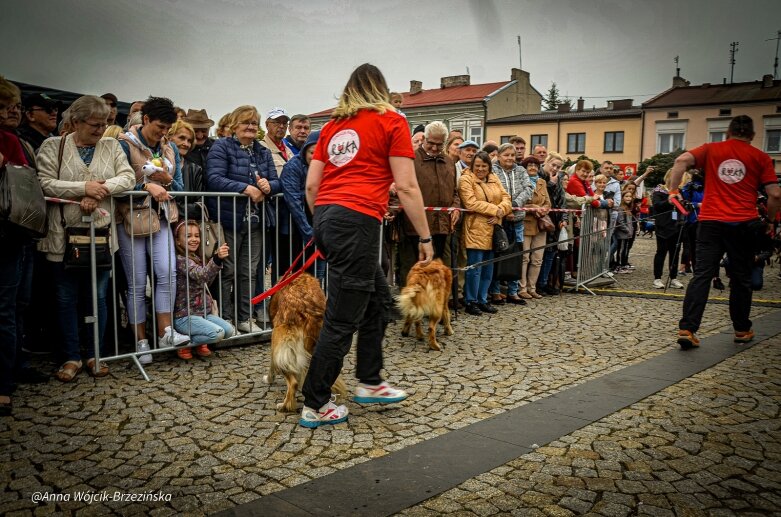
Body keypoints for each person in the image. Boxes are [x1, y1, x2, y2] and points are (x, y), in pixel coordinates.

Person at [300, 63, 434, 428]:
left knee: (377, 301)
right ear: (381, 89)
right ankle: (316, 401)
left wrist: (323, 223)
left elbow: (312, 186)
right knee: (342, 319)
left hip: (328, 215)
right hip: (357, 220)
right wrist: (425, 236)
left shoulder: (331, 127)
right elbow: (406, 186)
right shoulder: (392, 121)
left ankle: (371, 381)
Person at [37, 95, 136, 381]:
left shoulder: (112, 145)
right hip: (62, 235)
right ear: (75, 122)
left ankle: (95, 353)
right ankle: (70, 356)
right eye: (94, 124)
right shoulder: (53, 146)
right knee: (65, 297)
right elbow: (44, 182)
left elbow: (127, 178)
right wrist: (83, 189)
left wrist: (99, 189)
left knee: (99, 297)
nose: (100, 130)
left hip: (101, 236)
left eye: (104, 124)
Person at [670, 115, 781, 349]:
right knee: (741, 278)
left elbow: (681, 160)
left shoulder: (711, 149)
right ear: (752, 135)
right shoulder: (760, 157)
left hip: (710, 221)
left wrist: (673, 191)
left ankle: (687, 329)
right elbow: (775, 194)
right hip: (742, 223)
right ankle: (741, 329)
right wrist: (770, 220)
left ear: (728, 132)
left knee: (702, 275)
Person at [117, 96, 190, 362]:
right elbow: (118, 184)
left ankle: (165, 331)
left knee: (167, 272)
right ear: (145, 119)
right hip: (131, 220)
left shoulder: (169, 148)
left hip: (161, 219)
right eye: (159, 127)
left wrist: (168, 179)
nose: (162, 133)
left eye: (167, 129)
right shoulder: (124, 144)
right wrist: (146, 185)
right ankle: (140, 341)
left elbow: (182, 189)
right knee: (137, 282)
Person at [206, 105, 279, 334]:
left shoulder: (263, 151)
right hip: (229, 220)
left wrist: (269, 186)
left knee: (250, 271)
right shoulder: (222, 147)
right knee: (228, 270)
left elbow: (277, 182)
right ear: (234, 125)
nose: (250, 127)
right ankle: (226, 318)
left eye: (254, 123)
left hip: (256, 221)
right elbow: (214, 178)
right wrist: (245, 188)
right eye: (245, 123)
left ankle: (245, 317)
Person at [0, 77, 34, 415]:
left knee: (5, 308)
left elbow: (20, 184)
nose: (12, 110)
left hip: (6, 234)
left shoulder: (10, 141)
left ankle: (4, 384)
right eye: (4, 105)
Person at [399, 121, 460, 284]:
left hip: (442, 226)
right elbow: (402, 187)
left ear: (444, 143)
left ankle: (433, 303)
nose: (434, 148)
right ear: (424, 138)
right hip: (415, 226)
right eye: (430, 143)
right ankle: (415, 306)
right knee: (416, 270)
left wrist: (455, 207)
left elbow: (455, 192)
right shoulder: (411, 159)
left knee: (436, 269)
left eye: (438, 145)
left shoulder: (449, 162)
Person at [172, 220, 235, 360]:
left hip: (202, 313)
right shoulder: (180, 260)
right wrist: (217, 259)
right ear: (177, 241)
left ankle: (198, 339)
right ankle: (184, 343)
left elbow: (206, 279)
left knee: (229, 331)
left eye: (196, 235)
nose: (194, 239)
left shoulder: (197, 258)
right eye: (188, 236)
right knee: (217, 334)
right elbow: (201, 275)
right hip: (185, 316)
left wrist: (214, 262)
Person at [459, 151, 512, 315]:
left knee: (488, 268)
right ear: (472, 166)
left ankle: (482, 299)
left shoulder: (494, 178)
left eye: (484, 166)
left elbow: (507, 199)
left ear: (489, 166)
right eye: (477, 166)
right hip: (475, 228)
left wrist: (500, 212)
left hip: (493, 228)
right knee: (475, 268)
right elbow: (470, 203)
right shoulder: (465, 179)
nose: (481, 169)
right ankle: (471, 300)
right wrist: (495, 210)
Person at [488, 143, 532, 305]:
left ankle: (513, 291)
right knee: (499, 254)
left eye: (512, 155)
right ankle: (495, 291)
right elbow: (494, 191)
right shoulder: (492, 170)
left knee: (516, 255)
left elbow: (528, 188)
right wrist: (506, 209)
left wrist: (514, 205)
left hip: (518, 219)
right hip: (500, 219)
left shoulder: (520, 170)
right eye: (506, 155)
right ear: (499, 156)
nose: (510, 158)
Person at [518, 156, 552, 299]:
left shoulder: (541, 182)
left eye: (535, 165)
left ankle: (533, 288)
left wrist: (544, 209)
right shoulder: (521, 181)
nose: (532, 168)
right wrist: (532, 207)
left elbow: (548, 203)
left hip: (540, 224)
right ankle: (522, 288)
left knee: (537, 258)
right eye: (529, 165)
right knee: (524, 257)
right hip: (526, 222)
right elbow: (518, 202)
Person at [537, 152, 567, 294]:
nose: (555, 168)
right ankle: (537, 284)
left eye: (558, 167)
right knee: (538, 255)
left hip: (554, 221)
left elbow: (562, 201)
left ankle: (544, 283)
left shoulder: (558, 180)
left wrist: (564, 219)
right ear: (546, 163)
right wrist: (550, 184)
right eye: (553, 165)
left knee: (550, 253)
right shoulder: (539, 175)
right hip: (540, 219)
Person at [651, 170, 685, 290]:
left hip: (676, 226)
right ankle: (657, 278)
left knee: (675, 253)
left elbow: (683, 208)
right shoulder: (659, 190)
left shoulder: (679, 192)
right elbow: (656, 205)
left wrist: (682, 201)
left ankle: (673, 278)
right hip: (663, 226)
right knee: (661, 252)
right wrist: (668, 201)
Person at [167, 119, 203, 193]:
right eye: (182, 138)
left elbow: (199, 202)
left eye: (189, 141)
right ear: (168, 137)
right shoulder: (156, 162)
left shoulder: (195, 169)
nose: (186, 144)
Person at [182, 109, 215, 174]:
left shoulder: (217, 147)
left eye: (204, 131)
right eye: (195, 131)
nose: (200, 136)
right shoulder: (180, 148)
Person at [262, 107, 290, 175]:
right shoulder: (260, 148)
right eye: (277, 122)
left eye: (284, 123)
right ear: (267, 125)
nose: (281, 126)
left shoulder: (289, 150)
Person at [614, 190, 636, 272]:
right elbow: (620, 221)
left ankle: (623, 264)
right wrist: (627, 230)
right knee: (621, 250)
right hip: (622, 234)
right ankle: (618, 266)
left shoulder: (628, 208)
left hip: (627, 234)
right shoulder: (621, 208)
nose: (628, 198)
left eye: (630, 196)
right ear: (622, 197)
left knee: (625, 250)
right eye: (626, 196)